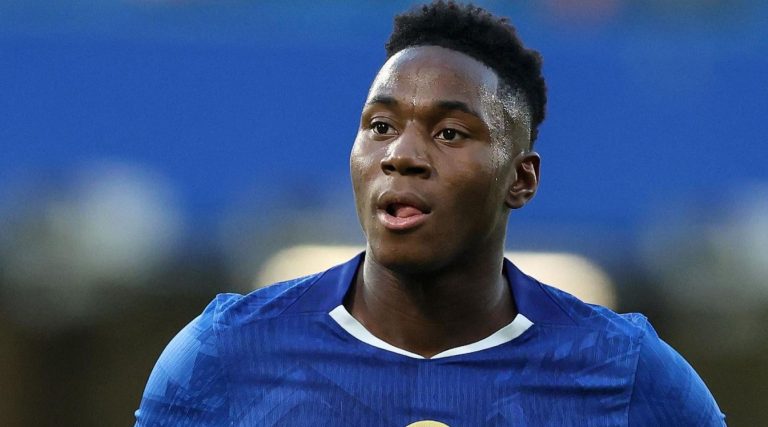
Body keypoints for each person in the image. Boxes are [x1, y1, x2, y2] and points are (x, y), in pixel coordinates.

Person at [135, 1, 725, 425]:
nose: (401, 155)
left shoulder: (625, 372)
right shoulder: (228, 353)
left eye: (449, 133)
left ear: (520, 179)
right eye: (380, 126)